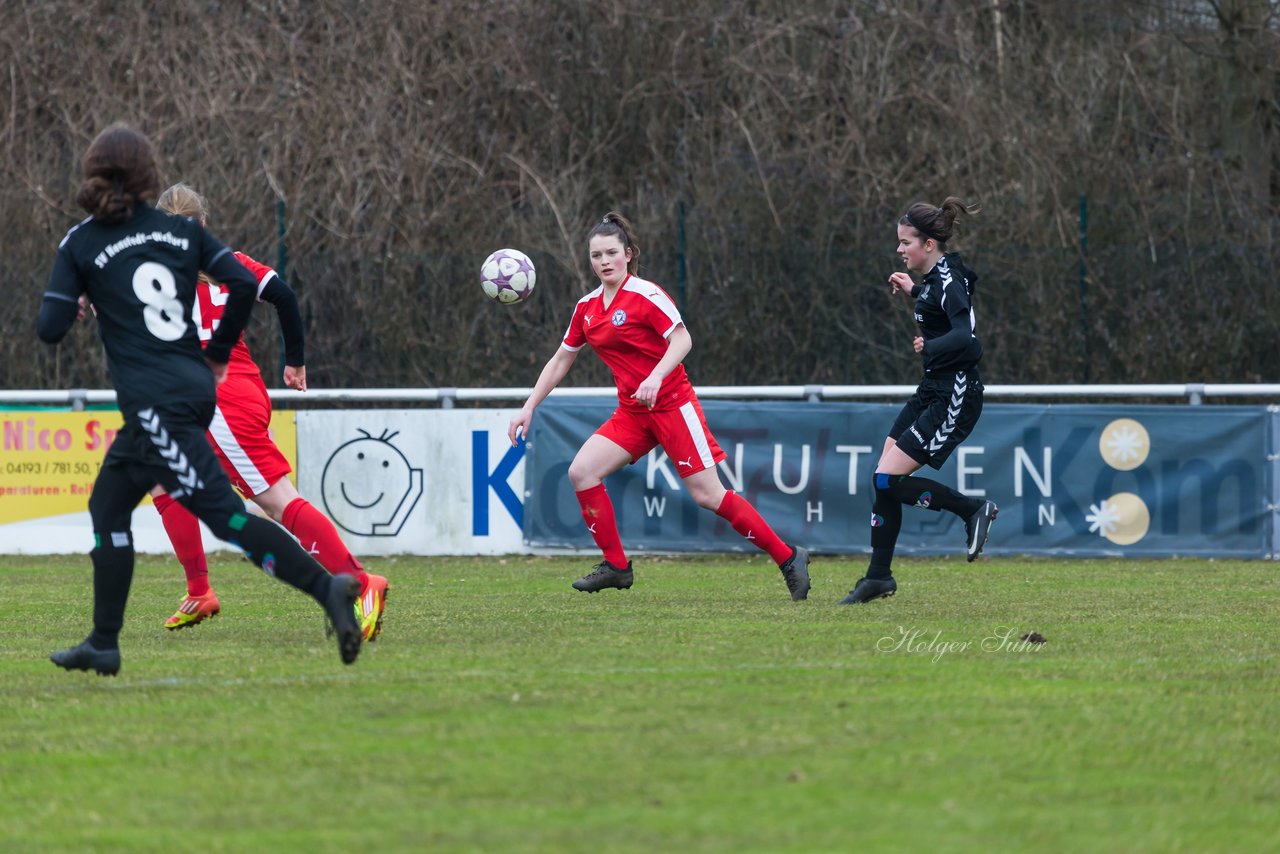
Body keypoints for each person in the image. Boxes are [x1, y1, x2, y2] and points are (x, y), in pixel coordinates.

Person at [37, 124, 362, 674]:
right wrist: (215, 357)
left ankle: (327, 587)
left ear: (94, 174)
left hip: (157, 400)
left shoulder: (83, 241)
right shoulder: (181, 237)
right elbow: (242, 284)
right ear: (146, 176)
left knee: (225, 515)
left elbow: (48, 329)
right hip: (190, 392)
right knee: (113, 504)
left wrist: (77, 298)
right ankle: (104, 640)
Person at [507, 212, 810, 599]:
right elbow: (562, 358)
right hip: (633, 413)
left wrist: (655, 376)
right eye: (596, 255)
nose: (603, 261)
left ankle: (788, 558)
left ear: (628, 254)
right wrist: (529, 406)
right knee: (582, 472)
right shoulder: (587, 308)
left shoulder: (646, 295)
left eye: (611, 253)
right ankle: (616, 566)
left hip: (672, 406)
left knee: (708, 495)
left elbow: (682, 340)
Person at [146, 183, 389, 641]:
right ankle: (199, 591)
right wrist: (294, 360)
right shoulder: (230, 263)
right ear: (203, 224)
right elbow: (285, 296)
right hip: (230, 393)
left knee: (277, 501)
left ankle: (360, 584)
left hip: (219, 404)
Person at [841, 197, 998, 605]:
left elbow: (968, 339)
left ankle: (971, 510)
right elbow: (937, 302)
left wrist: (930, 345)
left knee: (886, 480)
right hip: (932, 389)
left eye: (906, 242)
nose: (899, 249)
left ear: (929, 244)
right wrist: (914, 291)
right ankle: (878, 577)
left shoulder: (949, 280)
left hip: (955, 396)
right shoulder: (934, 279)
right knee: (882, 479)